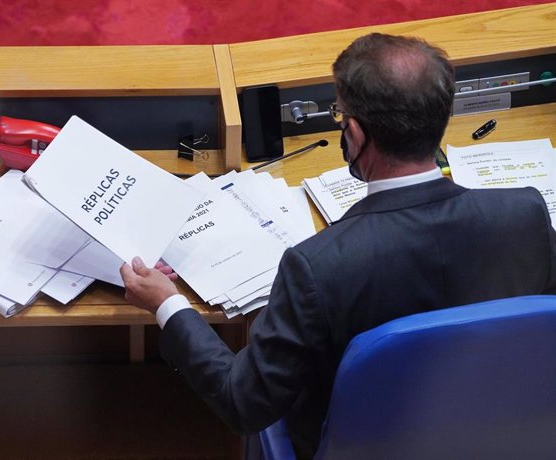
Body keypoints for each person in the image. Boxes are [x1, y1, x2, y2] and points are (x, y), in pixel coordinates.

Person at [120, 33, 556, 459]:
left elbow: (244, 400)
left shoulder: (318, 267)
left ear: (356, 133)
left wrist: (168, 305)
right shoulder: (526, 216)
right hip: (500, 435)